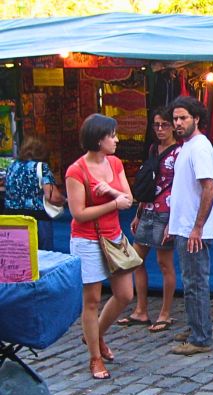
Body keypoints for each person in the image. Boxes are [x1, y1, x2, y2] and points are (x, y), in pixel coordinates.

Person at [65, 113, 135, 380]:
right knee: (92, 300)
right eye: (112, 135)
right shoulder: (76, 170)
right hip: (87, 239)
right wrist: (111, 203)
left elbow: (128, 198)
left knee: (125, 294)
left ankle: (96, 335)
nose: (117, 140)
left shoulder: (115, 163)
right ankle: (95, 357)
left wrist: (113, 193)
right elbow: (78, 213)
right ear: (98, 139)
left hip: (114, 237)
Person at [117, 107, 180, 332]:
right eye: (156, 125)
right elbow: (149, 183)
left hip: (166, 212)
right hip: (149, 209)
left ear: (173, 126)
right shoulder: (154, 148)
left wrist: (174, 222)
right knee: (137, 260)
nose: (160, 129)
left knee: (165, 263)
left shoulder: (179, 152)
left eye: (165, 125)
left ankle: (165, 313)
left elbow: (180, 188)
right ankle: (141, 310)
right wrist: (139, 212)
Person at [166, 96, 213, 355]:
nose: (178, 123)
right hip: (184, 227)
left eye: (183, 118)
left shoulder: (199, 147)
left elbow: (209, 187)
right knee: (190, 281)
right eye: (175, 118)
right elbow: (183, 190)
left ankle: (200, 337)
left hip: (194, 230)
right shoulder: (187, 146)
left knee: (196, 282)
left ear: (196, 118)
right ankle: (196, 326)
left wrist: (197, 227)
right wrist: (174, 224)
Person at [4, 136, 65, 250]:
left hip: (13, 219)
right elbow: (52, 197)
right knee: (42, 257)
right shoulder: (41, 167)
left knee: (19, 256)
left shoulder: (11, 166)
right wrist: (64, 200)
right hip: (36, 219)